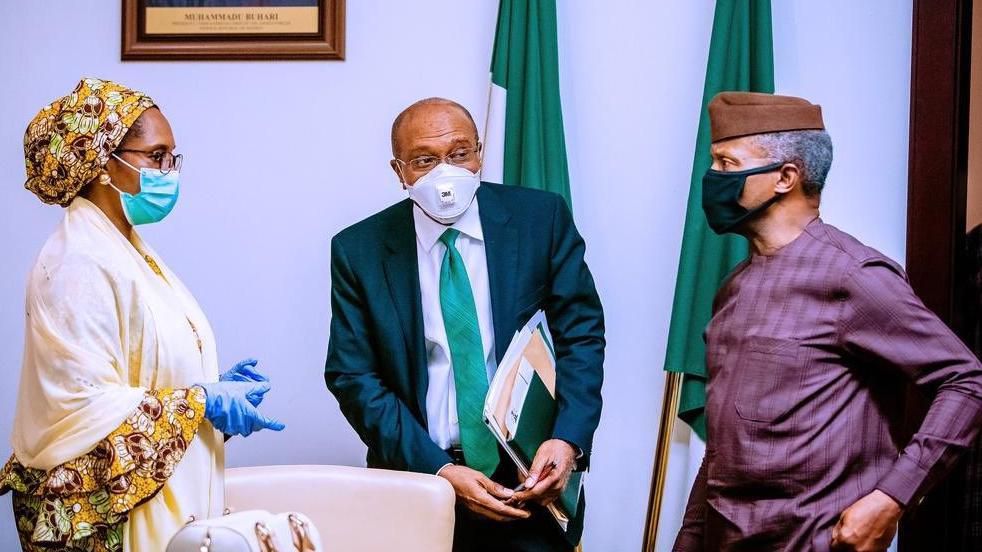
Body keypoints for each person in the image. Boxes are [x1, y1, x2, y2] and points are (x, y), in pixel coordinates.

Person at [673, 91, 982, 551]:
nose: (712, 177)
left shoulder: (853, 276)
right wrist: (690, 538)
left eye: (726, 162)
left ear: (785, 177)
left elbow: (966, 381)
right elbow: (724, 444)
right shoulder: (733, 288)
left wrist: (891, 497)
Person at [0, 77, 285, 552]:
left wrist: (205, 388)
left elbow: (138, 368)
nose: (168, 171)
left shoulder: (125, 249)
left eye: (173, 157)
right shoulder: (77, 261)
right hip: (103, 526)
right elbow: (80, 406)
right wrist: (199, 402)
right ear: (101, 165)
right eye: (155, 157)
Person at [324, 97, 605, 551]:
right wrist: (439, 471)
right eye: (424, 160)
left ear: (480, 154)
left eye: (459, 154)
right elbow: (352, 375)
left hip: (528, 475)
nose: (445, 172)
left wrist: (568, 438)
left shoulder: (540, 219)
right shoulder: (359, 250)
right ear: (399, 172)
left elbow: (581, 334)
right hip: (420, 482)